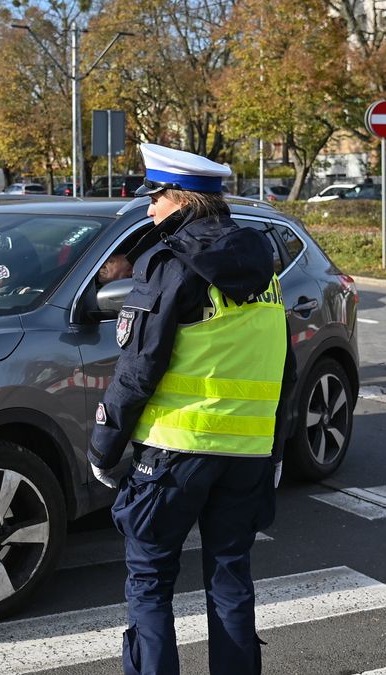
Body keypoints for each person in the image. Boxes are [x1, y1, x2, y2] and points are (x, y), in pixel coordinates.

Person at [89, 143, 294, 675]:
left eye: (154, 197)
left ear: (178, 200)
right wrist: (274, 451)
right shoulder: (264, 269)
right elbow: (283, 369)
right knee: (230, 578)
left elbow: (138, 369)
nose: (149, 208)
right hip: (246, 454)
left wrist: (103, 447)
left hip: (175, 453)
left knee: (150, 580)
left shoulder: (169, 263)